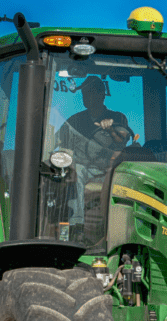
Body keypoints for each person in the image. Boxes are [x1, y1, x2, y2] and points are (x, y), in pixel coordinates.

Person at [56, 76, 132, 234]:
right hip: (83, 169)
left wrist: (110, 129)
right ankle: (77, 224)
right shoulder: (75, 121)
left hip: (109, 171)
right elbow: (57, 142)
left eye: (91, 93)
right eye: (84, 94)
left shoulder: (117, 118)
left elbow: (122, 139)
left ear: (102, 95)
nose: (87, 97)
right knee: (75, 171)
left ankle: (119, 226)